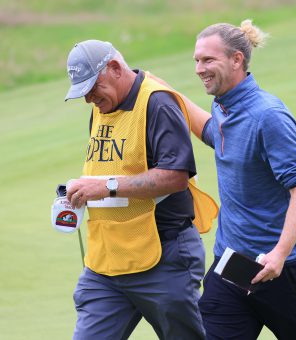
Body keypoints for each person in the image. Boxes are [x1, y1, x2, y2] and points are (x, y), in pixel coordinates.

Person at [63, 39, 217, 340]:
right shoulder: (101, 108)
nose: (89, 99)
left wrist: (104, 187)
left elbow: (175, 177)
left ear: (115, 68)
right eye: (83, 92)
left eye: (92, 87)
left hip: (163, 259)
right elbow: (112, 170)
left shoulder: (158, 103)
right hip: (106, 264)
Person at [177, 20, 296, 339]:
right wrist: (157, 88)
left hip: (280, 271)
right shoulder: (223, 107)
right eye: (196, 61)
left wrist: (280, 254)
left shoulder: (268, 116)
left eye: (207, 60)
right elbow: (213, 132)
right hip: (230, 267)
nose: (199, 69)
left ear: (237, 60)